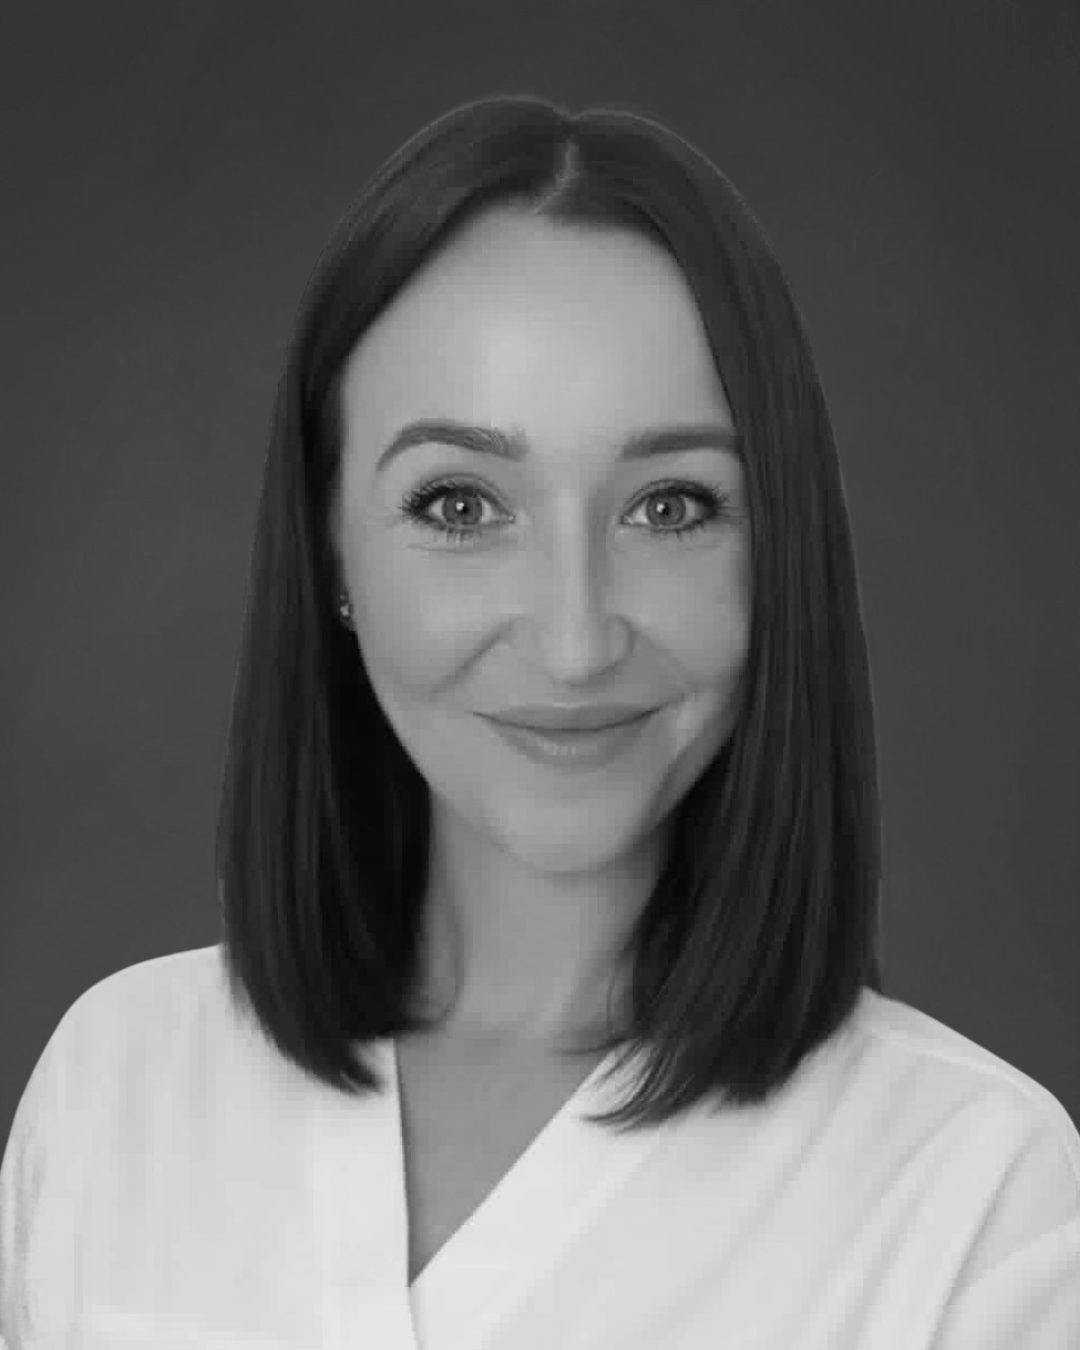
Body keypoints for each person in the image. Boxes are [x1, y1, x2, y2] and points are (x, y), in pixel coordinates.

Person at [1, 93, 1077, 1350]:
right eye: (460, 505)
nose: (575, 641)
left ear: (778, 552)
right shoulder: (117, 1085)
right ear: (327, 547)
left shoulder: (984, 1199)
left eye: (671, 507)